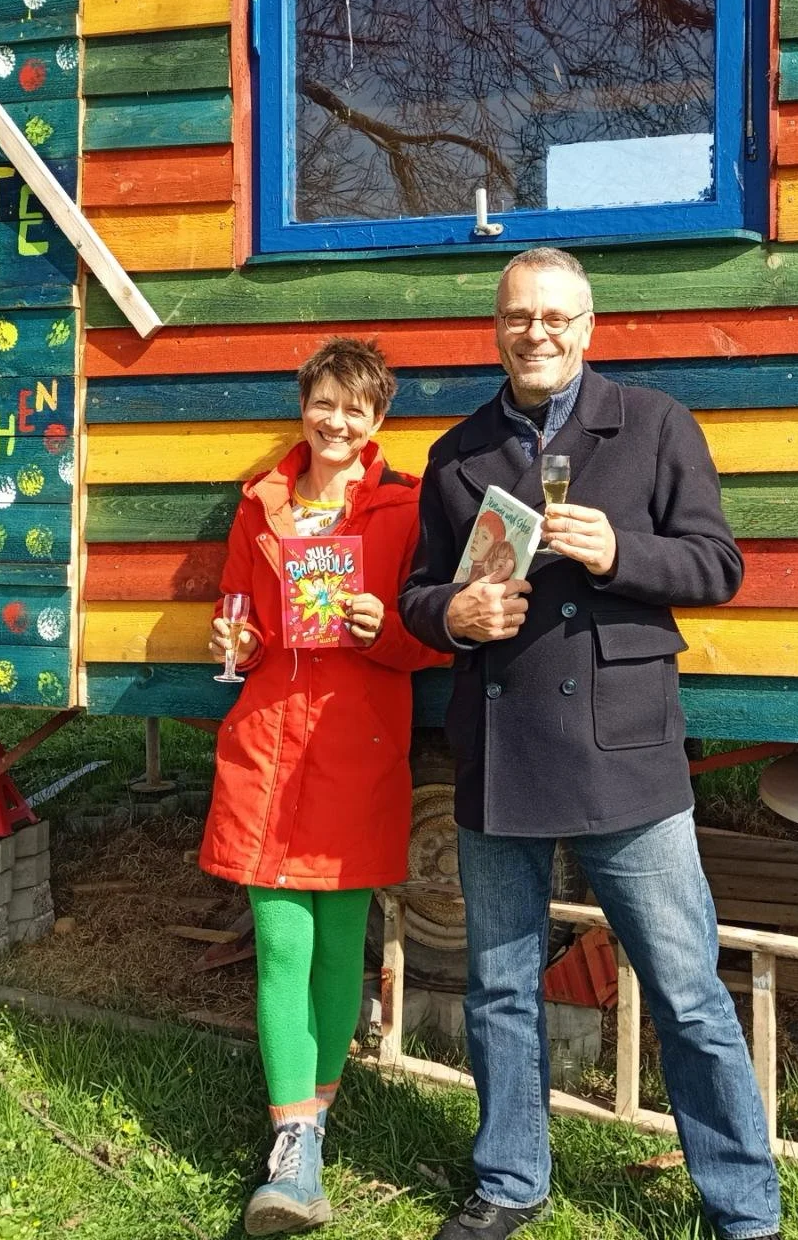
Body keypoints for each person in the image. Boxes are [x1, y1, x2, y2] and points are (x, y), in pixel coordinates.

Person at [399, 249, 782, 1240]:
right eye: (518, 316)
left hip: (625, 751)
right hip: (500, 743)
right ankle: (509, 1180)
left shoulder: (654, 424)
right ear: (496, 327)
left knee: (687, 991)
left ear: (587, 325)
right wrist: (455, 614)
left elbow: (718, 565)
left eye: (554, 317)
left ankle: (743, 1209)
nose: (536, 333)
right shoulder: (454, 453)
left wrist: (621, 554)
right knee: (497, 988)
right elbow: (415, 595)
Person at [198, 336, 451, 1235]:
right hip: (268, 738)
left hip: (358, 738)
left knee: (341, 940)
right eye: (323, 403)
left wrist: (388, 626)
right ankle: (292, 1140)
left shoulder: (407, 508)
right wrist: (236, 643)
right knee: (279, 944)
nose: (336, 421)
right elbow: (236, 611)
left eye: (356, 408)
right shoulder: (260, 504)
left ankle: (320, 1108)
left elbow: (434, 635)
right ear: (302, 408)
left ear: (378, 419)